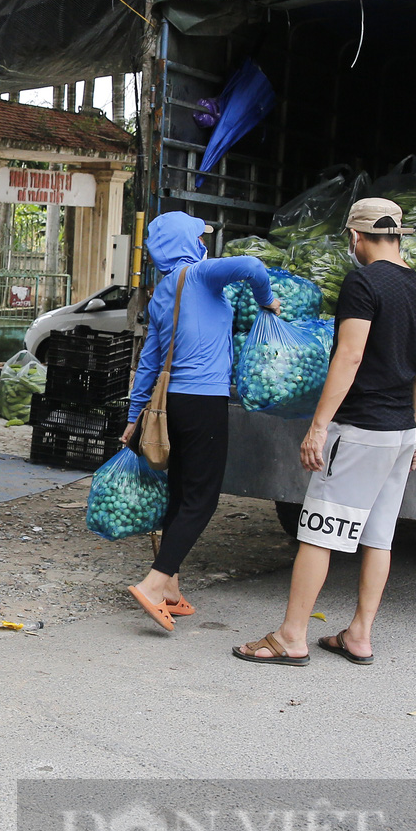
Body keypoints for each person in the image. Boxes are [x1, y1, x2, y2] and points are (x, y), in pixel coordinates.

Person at [234, 199, 416, 666]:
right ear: (398, 235)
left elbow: (349, 356)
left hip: (360, 429)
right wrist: (414, 433)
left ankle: (291, 636)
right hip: (398, 433)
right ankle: (360, 635)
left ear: (356, 237)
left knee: (318, 533)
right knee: (379, 537)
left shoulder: (363, 282)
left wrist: (319, 426)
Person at [119, 211, 278, 632]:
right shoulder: (202, 274)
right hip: (204, 402)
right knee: (202, 498)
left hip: (171, 404)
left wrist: (134, 418)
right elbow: (252, 266)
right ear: (188, 241)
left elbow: (150, 362)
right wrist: (267, 300)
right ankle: (153, 585)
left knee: (181, 492)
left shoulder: (163, 292)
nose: (205, 242)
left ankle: (169, 585)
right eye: (199, 235)